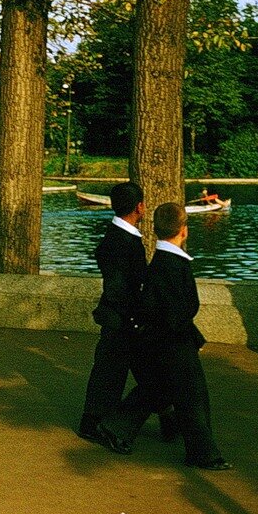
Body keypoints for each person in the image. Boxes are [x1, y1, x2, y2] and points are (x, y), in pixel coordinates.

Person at [98, 203, 231, 471]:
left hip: (164, 339)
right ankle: (202, 453)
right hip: (172, 341)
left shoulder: (164, 262)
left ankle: (116, 427)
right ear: (184, 230)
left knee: (158, 389)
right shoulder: (172, 264)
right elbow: (180, 310)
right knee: (192, 395)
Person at [77, 182, 177, 443]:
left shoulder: (117, 238)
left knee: (120, 372)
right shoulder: (124, 242)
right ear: (140, 207)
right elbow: (122, 288)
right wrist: (137, 318)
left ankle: (166, 418)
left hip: (121, 316)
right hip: (124, 318)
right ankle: (100, 424)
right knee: (124, 373)